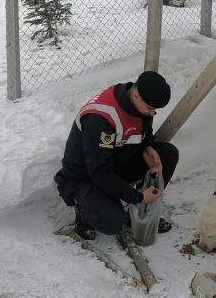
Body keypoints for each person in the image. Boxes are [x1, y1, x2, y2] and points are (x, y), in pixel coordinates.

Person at [54, 71, 179, 239]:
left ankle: (137, 215)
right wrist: (138, 196)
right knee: (112, 222)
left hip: (114, 163)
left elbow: (144, 131)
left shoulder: (138, 104)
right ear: (135, 95)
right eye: (150, 108)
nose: (152, 113)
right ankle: (84, 212)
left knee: (168, 154)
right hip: (87, 175)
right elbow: (99, 172)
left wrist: (147, 148)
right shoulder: (101, 118)